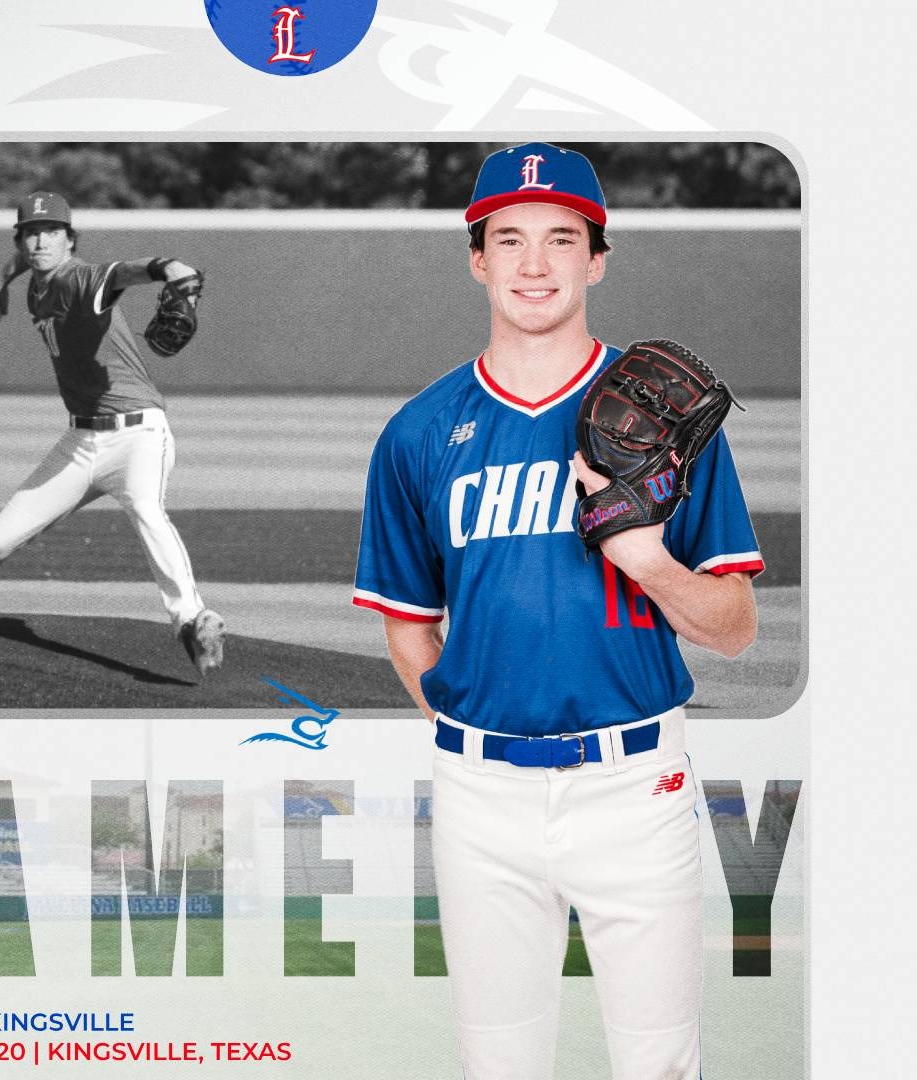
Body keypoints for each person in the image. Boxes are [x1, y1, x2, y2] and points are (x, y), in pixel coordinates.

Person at [351, 143, 763, 1079]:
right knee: (500, 1067)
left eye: (562, 239)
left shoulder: (668, 428)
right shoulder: (418, 433)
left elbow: (735, 628)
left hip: (636, 787)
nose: (534, 264)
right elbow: (409, 624)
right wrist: (473, 737)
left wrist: (646, 557)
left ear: (598, 259)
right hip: (478, 798)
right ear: (477, 259)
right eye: (510, 239)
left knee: (659, 1065)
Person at [0, 191, 226, 676]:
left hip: (138, 435)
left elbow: (122, 273)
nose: (41, 241)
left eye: (52, 232)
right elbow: (26, 262)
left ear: (71, 239)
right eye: (31, 233)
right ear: (21, 242)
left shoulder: (78, 278)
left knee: (148, 513)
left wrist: (166, 267)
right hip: (80, 443)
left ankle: (192, 622)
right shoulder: (36, 284)